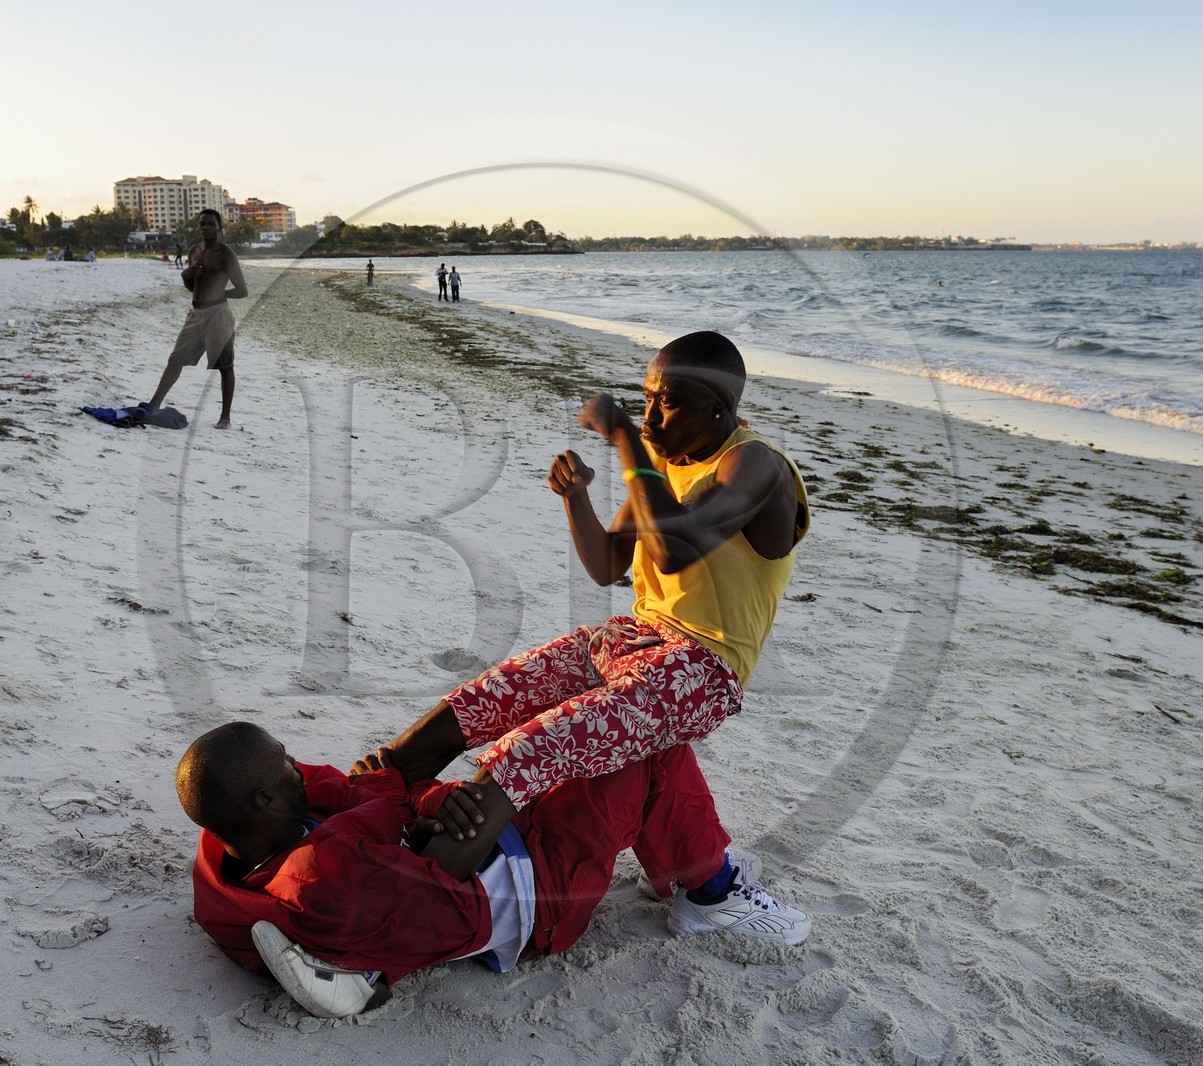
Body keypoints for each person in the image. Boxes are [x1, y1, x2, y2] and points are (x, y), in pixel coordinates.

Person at [377, 330, 809, 854]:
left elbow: (676, 548)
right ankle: (358, 801)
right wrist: (576, 497)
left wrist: (627, 437)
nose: (651, 417)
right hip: (633, 639)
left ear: (718, 407)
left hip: (704, 669)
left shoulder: (756, 464)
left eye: (667, 404)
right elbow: (608, 563)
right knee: (481, 701)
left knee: (528, 750)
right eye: (646, 400)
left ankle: (424, 888)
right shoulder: (667, 462)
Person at [177, 717, 808, 1016]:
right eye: (282, 761)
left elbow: (352, 787)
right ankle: (711, 894)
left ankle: (675, 864)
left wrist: (425, 802)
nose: (297, 765)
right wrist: (471, 795)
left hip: (494, 849)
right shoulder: (322, 877)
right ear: (261, 798)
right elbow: (461, 914)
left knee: (597, 746)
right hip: (535, 899)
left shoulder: (232, 844)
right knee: (646, 748)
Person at [147, 209, 248, 429]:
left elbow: (242, 291)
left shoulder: (226, 254)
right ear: (198, 226)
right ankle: (154, 403)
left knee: (224, 366)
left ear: (219, 227)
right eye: (203, 224)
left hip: (218, 315)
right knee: (175, 360)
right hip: (195, 314)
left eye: (211, 224)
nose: (206, 228)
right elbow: (193, 288)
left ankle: (225, 418)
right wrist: (185, 276)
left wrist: (220, 294)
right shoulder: (194, 251)